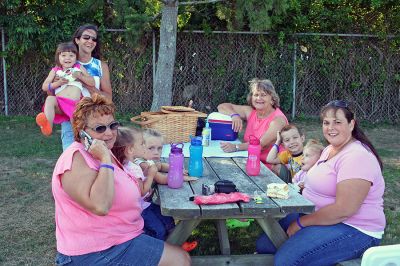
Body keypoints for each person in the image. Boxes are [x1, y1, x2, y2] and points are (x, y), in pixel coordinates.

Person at [52, 94, 190, 266]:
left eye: (112, 125)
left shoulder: (104, 151)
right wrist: (105, 160)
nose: (109, 133)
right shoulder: (75, 160)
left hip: (120, 238)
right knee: (179, 260)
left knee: (178, 253)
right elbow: (100, 206)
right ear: (82, 132)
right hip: (96, 252)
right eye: (100, 128)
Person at [256, 100, 385, 265]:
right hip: (320, 216)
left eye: (337, 122)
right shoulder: (330, 149)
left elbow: (344, 210)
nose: (330, 127)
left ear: (351, 124)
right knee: (265, 245)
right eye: (326, 122)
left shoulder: (357, 156)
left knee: (287, 260)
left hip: (354, 228)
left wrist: (301, 223)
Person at [111, 127, 176, 241]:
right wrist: (150, 175)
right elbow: (141, 191)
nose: (144, 147)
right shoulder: (133, 168)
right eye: (142, 144)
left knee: (167, 218)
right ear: (130, 149)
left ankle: (175, 242)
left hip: (145, 204)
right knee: (158, 230)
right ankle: (159, 248)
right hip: (141, 209)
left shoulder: (124, 164)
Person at [60, 24, 112, 151]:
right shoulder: (67, 62)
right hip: (71, 122)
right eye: (86, 37)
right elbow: (53, 93)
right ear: (77, 40)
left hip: (97, 122)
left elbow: (109, 99)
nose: (90, 41)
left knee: (98, 161)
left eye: (94, 39)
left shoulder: (100, 66)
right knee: (72, 159)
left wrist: (85, 83)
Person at [217, 78, 288, 169]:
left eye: (263, 95)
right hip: (251, 160)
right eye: (256, 95)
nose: (259, 98)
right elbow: (221, 107)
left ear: (272, 99)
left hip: (272, 166)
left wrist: (235, 147)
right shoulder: (251, 112)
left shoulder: (278, 120)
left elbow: (260, 144)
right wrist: (234, 115)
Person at [36, 42, 95, 136]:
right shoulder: (55, 70)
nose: (67, 58)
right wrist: (57, 83)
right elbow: (45, 87)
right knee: (50, 99)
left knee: (76, 128)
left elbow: (92, 82)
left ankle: (80, 139)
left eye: (71, 55)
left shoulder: (78, 68)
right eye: (63, 55)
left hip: (75, 105)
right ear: (58, 57)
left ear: (76, 57)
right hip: (59, 104)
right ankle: (48, 126)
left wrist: (80, 76)